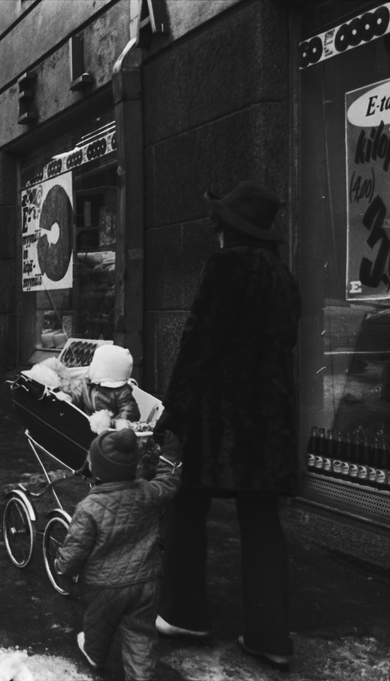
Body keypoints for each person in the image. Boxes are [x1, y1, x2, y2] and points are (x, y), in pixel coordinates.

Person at [152, 180, 301, 671]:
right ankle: (271, 635)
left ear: (228, 232)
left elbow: (199, 342)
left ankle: (184, 613)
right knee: (261, 521)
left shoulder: (224, 267)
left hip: (219, 419)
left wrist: (173, 409)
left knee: (186, 505)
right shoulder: (283, 277)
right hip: (270, 420)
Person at [54, 428, 182, 681]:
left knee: (98, 624)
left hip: (106, 587)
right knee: (140, 635)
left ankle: (93, 653)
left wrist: (63, 570)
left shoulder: (89, 508)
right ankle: (140, 676)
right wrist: (169, 454)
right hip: (146, 583)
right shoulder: (147, 492)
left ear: (97, 470)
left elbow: (75, 549)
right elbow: (169, 481)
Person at [72, 344, 141, 429]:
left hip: (108, 432)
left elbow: (129, 412)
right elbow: (77, 396)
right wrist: (68, 397)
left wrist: (111, 423)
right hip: (86, 424)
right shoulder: (87, 383)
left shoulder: (122, 392)